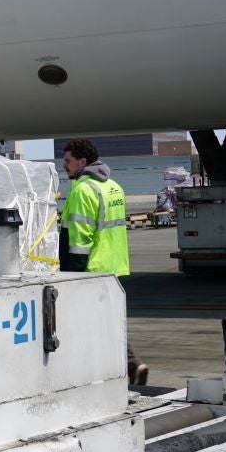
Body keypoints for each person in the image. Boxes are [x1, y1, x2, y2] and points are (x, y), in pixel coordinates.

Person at [59, 139, 146, 384]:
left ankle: (105, 371)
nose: (64, 166)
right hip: (113, 266)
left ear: (82, 162)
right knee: (109, 320)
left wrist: (71, 276)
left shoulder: (82, 190)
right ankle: (130, 366)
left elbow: (79, 239)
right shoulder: (114, 187)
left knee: (86, 324)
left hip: (91, 269)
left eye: (67, 161)